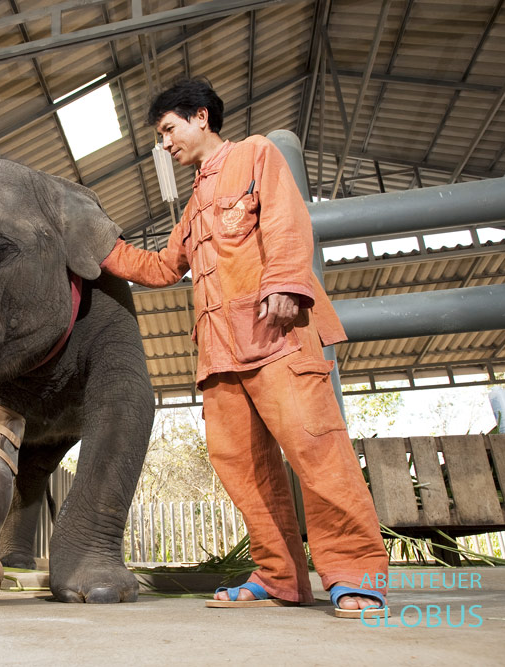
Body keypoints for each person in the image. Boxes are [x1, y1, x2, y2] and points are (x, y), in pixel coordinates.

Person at [99, 78, 389, 618]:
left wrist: (283, 282)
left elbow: (285, 219)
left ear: (200, 118)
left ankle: (355, 572)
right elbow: (163, 267)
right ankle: (279, 576)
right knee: (241, 466)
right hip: (219, 353)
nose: (164, 144)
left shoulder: (257, 154)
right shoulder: (192, 208)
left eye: (168, 130)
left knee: (316, 452)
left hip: (276, 336)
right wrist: (101, 248)